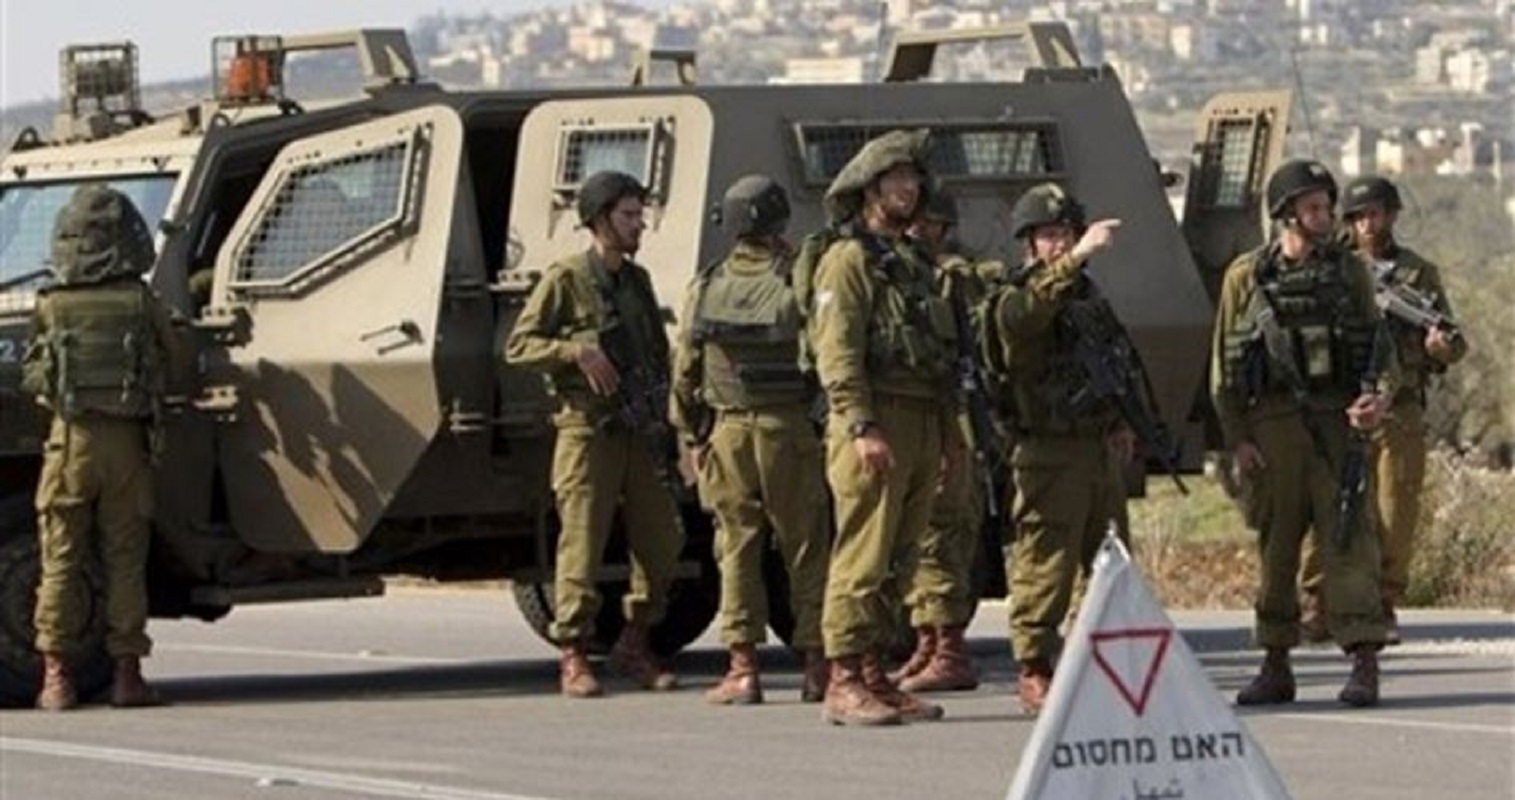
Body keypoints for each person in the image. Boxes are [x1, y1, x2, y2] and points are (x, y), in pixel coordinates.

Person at [1211, 159, 1394, 708]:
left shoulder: (1349, 271)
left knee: (1350, 540)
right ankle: (1275, 662)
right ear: (1286, 214)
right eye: (1312, 207)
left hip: (1337, 424)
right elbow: (1223, 368)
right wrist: (1238, 438)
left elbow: (1378, 346)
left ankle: (1363, 659)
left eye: (1326, 206)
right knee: (1277, 549)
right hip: (1272, 430)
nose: (1325, 216)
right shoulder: (1246, 276)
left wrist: (1378, 399)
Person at [505, 170, 684, 698]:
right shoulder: (566, 279)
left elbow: (656, 355)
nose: (639, 225)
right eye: (628, 216)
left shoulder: (637, 282)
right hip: (587, 430)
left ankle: (635, 640)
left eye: (640, 215)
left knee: (664, 540)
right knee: (581, 544)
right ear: (599, 220)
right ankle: (574, 651)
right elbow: (519, 346)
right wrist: (575, 351)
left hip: (639, 430)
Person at [809, 129, 958, 726]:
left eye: (913, 177)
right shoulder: (848, 261)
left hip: (920, 418)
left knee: (901, 557)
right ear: (869, 188)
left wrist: (947, 437)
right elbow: (837, 352)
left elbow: (938, 355)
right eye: (896, 177)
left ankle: (873, 673)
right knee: (863, 555)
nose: (908, 187)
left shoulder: (913, 264)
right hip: (876, 420)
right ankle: (843, 678)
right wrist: (861, 425)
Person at [670, 174, 831, 706]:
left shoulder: (706, 284)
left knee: (736, 546)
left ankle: (743, 668)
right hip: (789, 429)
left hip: (728, 430)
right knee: (806, 546)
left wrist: (693, 434)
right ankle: (817, 665)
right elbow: (824, 353)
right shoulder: (798, 279)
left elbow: (685, 368)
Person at [22, 183, 178, 711]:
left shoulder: (52, 305)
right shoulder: (141, 302)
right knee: (125, 560)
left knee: (60, 560)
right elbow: (175, 362)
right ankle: (127, 677)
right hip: (129, 447)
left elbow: (36, 375)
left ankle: (56, 679)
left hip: (71, 445)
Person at [1297, 175, 1467, 645]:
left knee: (1395, 507)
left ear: (1391, 215)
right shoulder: (1331, 264)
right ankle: (1319, 601)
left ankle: (1383, 600)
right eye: (1357, 216)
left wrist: (1438, 348)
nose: (1367, 225)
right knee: (1331, 503)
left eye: (1374, 214)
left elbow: (1453, 341)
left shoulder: (1417, 274)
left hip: (1399, 405)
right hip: (1339, 402)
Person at [983, 183, 1133, 715]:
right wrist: (1076, 259)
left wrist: (1120, 421)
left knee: (1112, 561)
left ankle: (1097, 663)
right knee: (1046, 564)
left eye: (1067, 234)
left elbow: (1111, 361)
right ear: (1030, 243)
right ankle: (1035, 667)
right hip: (1046, 452)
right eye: (1049, 236)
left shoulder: (1086, 298)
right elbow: (1025, 318)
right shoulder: (1016, 297)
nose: (1061, 244)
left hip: (1093, 447)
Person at [889, 191, 1002, 693]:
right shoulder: (913, 277)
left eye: (925, 224)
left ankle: (948, 649)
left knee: (943, 532)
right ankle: (929, 640)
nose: (915, 232)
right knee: (923, 536)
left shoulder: (953, 279)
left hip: (954, 424)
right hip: (930, 420)